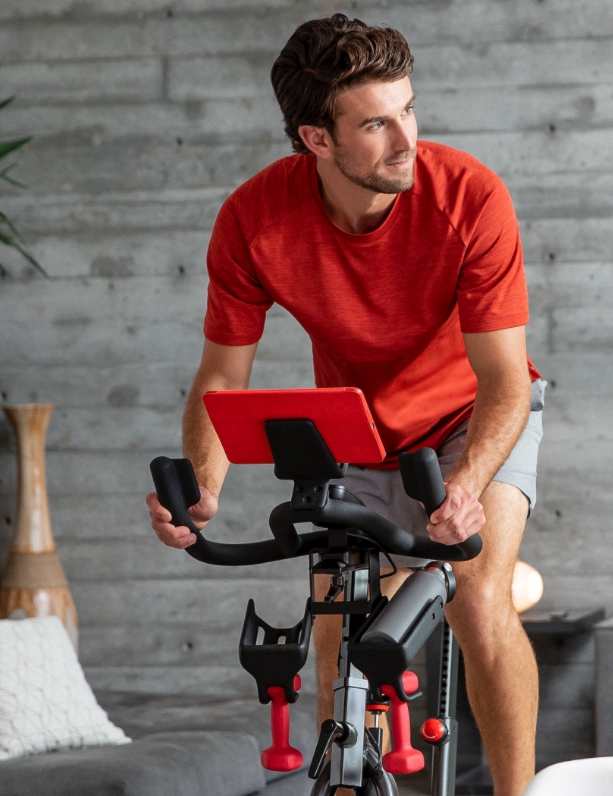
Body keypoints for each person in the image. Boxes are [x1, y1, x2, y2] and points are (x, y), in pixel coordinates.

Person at [142, 14, 543, 796]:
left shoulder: (468, 197)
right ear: (315, 139)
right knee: (338, 641)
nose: (406, 140)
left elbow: (504, 380)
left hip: (471, 419)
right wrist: (204, 489)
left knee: (481, 601)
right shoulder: (254, 221)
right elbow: (224, 378)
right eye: (375, 124)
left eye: (409, 109)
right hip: (359, 431)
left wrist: (463, 492)